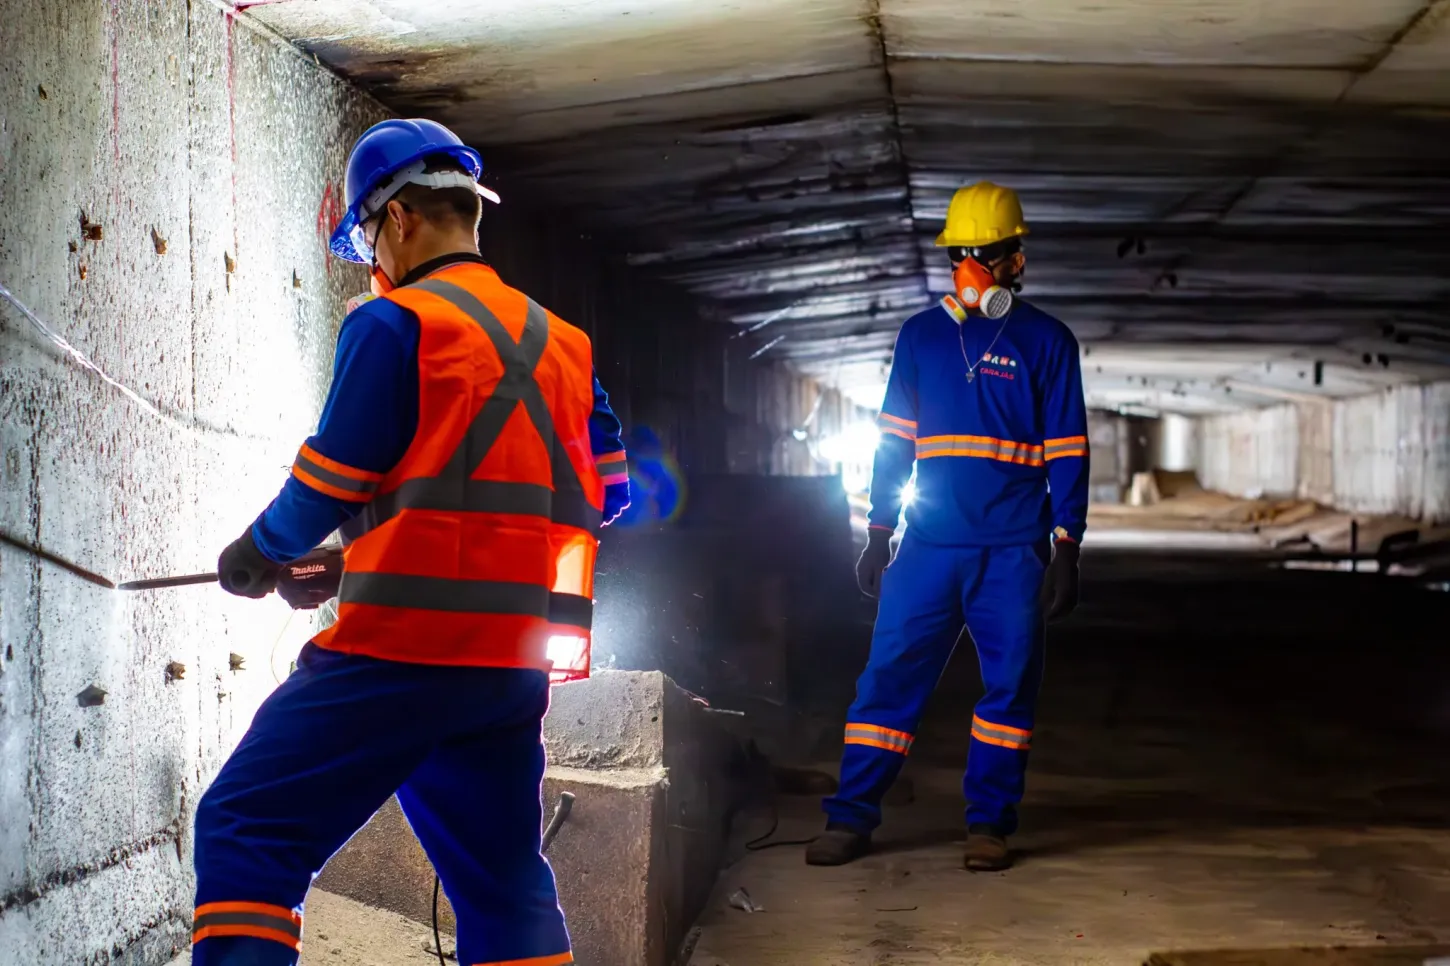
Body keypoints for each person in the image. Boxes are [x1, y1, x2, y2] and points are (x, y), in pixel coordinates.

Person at [191, 117, 629, 966]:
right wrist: (362, 557)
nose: (371, 264)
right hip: (505, 669)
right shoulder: (563, 344)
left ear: (395, 221)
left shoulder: (393, 324)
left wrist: (262, 551)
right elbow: (607, 491)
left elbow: (331, 480)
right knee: (503, 885)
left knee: (246, 827)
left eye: (367, 241)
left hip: (395, 658)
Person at [806, 181, 1088, 872]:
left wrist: (1067, 546)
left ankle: (989, 825)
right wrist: (878, 530)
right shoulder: (921, 338)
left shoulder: (1047, 342)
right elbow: (892, 440)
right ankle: (850, 819)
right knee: (887, 683)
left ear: (1014, 262)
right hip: (928, 549)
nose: (974, 267)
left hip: (1012, 553)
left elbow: (1068, 449)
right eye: (962, 253)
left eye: (987, 254)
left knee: (1007, 693)